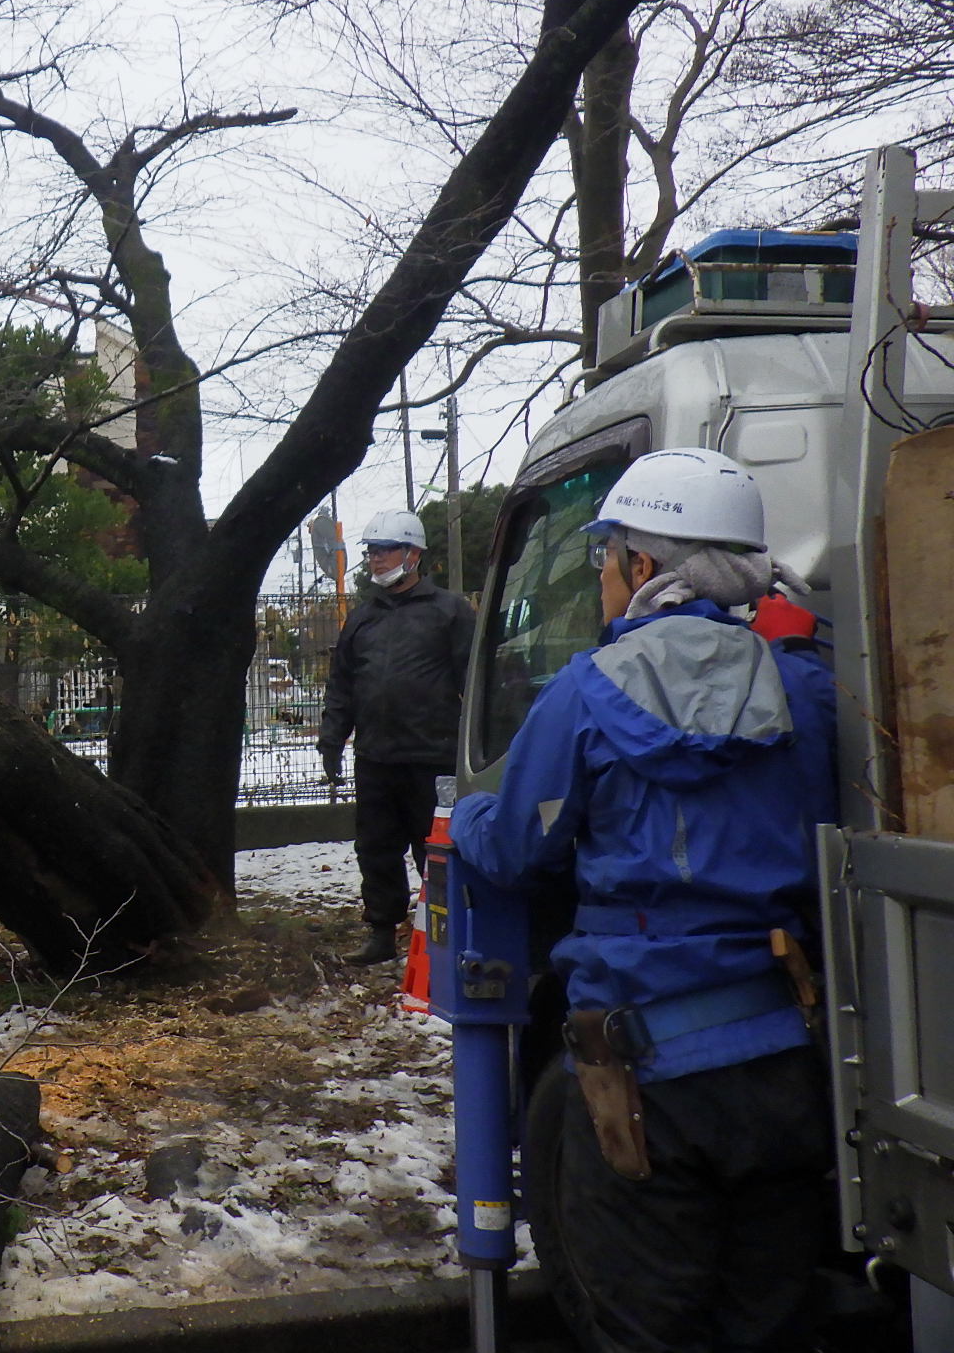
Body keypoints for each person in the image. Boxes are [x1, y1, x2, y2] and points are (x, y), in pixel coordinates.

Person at [449, 447, 837, 1352]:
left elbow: (512, 849)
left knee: (646, 1326)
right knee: (770, 1320)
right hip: (783, 1062)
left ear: (646, 566)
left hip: (642, 1070)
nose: (603, 577)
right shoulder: (804, 689)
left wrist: (465, 817)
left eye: (607, 556)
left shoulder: (584, 693)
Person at [317, 508, 476, 965]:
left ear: (414, 553)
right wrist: (332, 739)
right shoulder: (362, 618)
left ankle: (445, 944)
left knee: (437, 855)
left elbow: (473, 678)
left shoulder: (450, 611)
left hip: (434, 759)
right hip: (376, 759)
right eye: (372, 551)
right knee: (376, 850)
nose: (376, 559)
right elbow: (342, 684)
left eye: (386, 549)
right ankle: (382, 934)